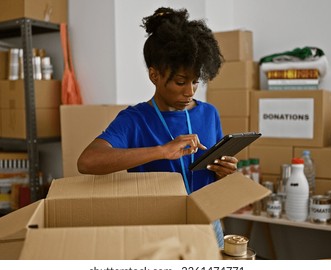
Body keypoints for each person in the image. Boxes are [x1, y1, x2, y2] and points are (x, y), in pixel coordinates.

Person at [77, 7, 238, 248]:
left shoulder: (209, 114)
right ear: (155, 75)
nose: (190, 91)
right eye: (180, 82)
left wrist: (224, 171)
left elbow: (212, 178)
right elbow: (87, 162)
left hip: (207, 225)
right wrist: (162, 151)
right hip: (157, 232)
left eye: (195, 81)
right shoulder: (134, 119)